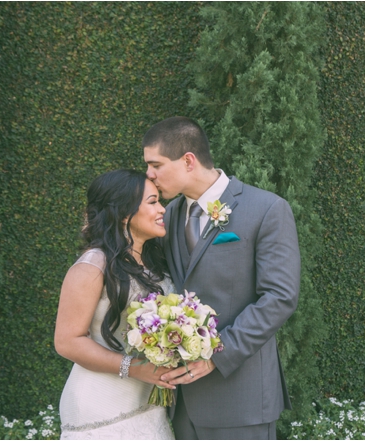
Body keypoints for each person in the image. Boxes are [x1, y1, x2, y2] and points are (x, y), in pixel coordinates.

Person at [142, 116, 301, 440]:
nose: (149, 175)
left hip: (240, 396)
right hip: (182, 402)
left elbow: (280, 297)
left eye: (155, 164)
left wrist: (217, 355)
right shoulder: (168, 216)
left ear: (188, 160)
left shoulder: (267, 209)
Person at [55, 169, 176, 440]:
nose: (163, 209)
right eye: (153, 201)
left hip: (148, 406)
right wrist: (133, 367)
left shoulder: (154, 261)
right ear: (124, 213)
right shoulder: (93, 266)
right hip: (100, 407)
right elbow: (67, 341)